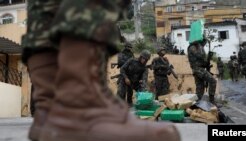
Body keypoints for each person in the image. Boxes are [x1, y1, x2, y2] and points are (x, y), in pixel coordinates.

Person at [22, 0, 180, 141]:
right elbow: (123, 68)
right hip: (124, 79)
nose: (144, 60)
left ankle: (50, 111)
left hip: (132, 82)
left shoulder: (143, 66)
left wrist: (142, 87)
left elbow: (144, 76)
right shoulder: (131, 60)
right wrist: (124, 77)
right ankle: (78, 107)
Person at [188, 39, 217, 104]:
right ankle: (212, 101)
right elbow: (200, 55)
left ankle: (196, 104)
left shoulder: (198, 47)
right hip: (198, 69)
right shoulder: (193, 47)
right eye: (204, 42)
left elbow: (202, 60)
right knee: (213, 81)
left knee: (200, 89)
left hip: (200, 69)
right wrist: (200, 46)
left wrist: (207, 63)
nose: (205, 44)